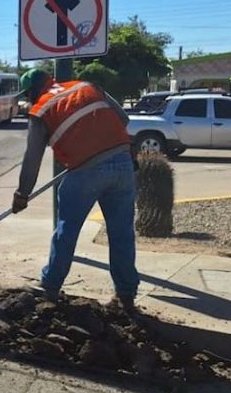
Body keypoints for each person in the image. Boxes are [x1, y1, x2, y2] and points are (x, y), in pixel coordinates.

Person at [11, 69, 139, 311]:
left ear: (33, 90)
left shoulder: (41, 108)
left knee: (66, 231)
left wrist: (22, 194)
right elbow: (122, 118)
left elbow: (33, 157)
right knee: (122, 234)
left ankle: (49, 287)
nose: (28, 100)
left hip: (85, 171)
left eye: (27, 95)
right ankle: (126, 296)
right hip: (123, 164)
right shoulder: (87, 86)